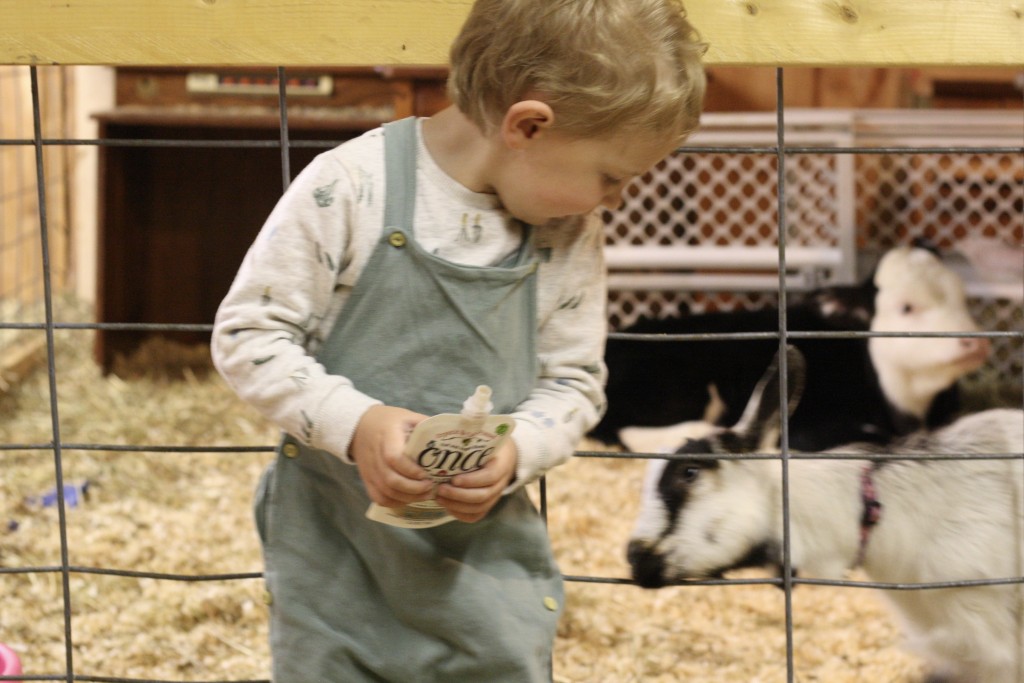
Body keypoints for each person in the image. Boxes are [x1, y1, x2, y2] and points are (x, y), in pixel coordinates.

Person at [211, 0, 706, 679]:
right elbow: (248, 335)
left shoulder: (568, 235)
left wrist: (516, 449)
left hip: (480, 561)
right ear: (527, 125)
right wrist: (356, 424)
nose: (613, 200)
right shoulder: (350, 188)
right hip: (334, 554)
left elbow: (576, 383)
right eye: (611, 176)